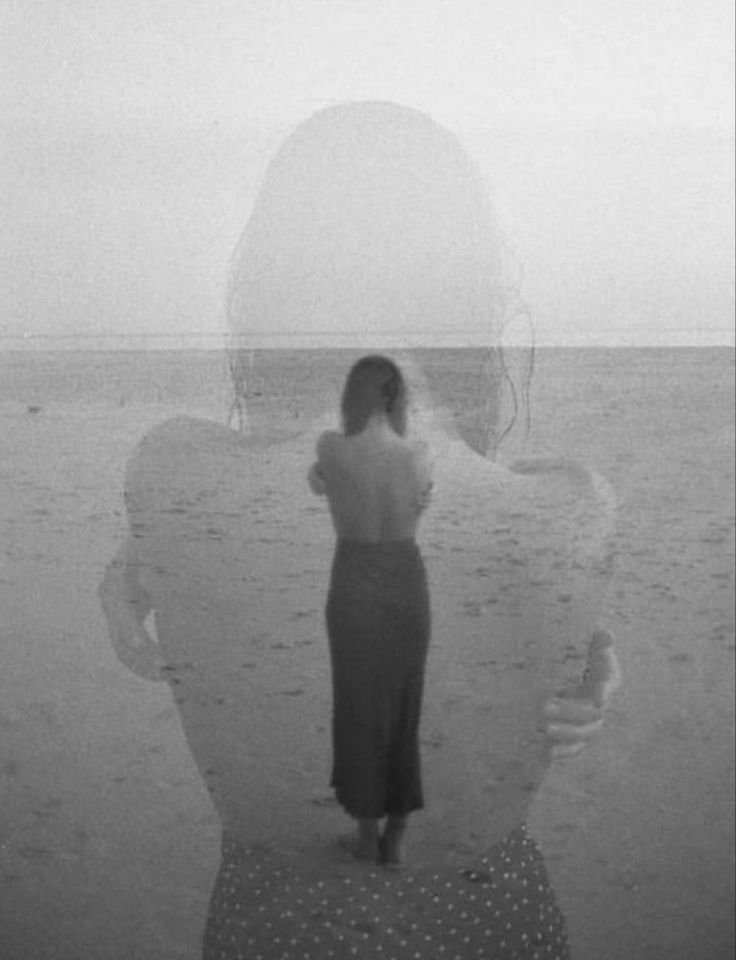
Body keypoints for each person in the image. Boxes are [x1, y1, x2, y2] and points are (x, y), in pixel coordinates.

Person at [98, 100, 622, 959]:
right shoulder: (565, 513)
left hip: (272, 925)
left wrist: (131, 565)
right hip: (485, 924)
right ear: (466, 283)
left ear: (275, 276)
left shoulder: (173, 475)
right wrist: (583, 650)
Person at [308, 355, 433, 865]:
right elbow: (420, 500)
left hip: (355, 579)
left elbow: (322, 481)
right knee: (403, 707)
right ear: (399, 398)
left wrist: (322, 478)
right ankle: (396, 838)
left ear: (352, 396)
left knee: (358, 707)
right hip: (405, 578)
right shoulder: (419, 453)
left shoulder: (331, 447)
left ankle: (366, 835)